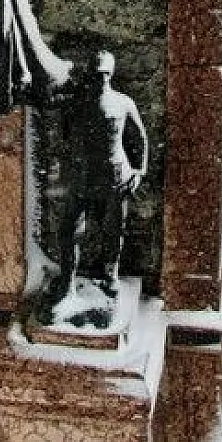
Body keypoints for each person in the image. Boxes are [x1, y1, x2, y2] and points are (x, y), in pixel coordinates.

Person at [47, 51, 147, 310]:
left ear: (110, 75)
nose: (99, 81)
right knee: (68, 230)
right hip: (82, 178)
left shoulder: (124, 103)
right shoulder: (74, 105)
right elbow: (62, 139)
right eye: (94, 76)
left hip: (115, 178)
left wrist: (139, 170)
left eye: (103, 75)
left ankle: (110, 273)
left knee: (113, 230)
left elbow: (140, 138)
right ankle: (68, 278)